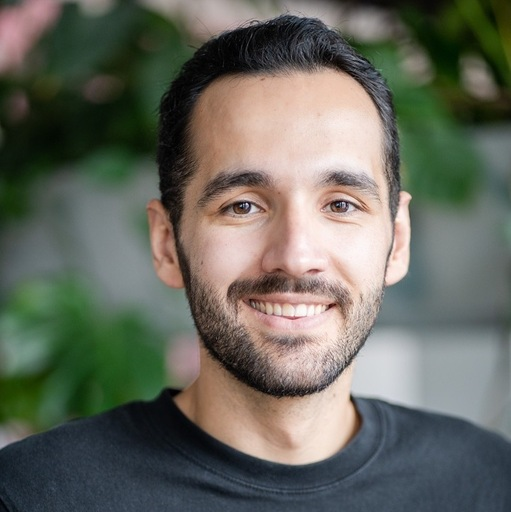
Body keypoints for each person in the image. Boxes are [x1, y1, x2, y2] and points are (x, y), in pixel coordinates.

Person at [0, 14, 510, 511]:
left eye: (341, 204)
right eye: (243, 206)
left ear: (397, 242)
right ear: (166, 243)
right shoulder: (31, 495)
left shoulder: (489, 485)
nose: (295, 256)